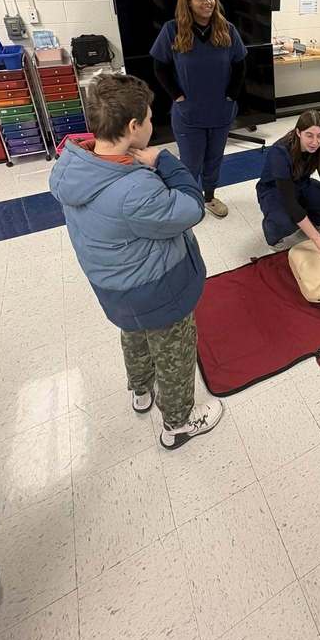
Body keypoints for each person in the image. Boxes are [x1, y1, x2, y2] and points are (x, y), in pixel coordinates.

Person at [49, 74, 223, 450]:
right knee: (174, 352)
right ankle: (178, 424)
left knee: (133, 335)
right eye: (147, 119)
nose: (150, 124)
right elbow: (192, 208)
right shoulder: (135, 189)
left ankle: (141, 390)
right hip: (157, 291)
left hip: (114, 288)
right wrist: (164, 160)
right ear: (132, 127)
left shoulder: (72, 164)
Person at [150, 0, 247, 219]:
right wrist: (178, 96)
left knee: (214, 160)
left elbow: (240, 64)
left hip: (220, 111)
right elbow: (159, 66)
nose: (208, 2)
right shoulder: (172, 30)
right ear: (188, 2)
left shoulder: (227, 29)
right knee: (191, 163)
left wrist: (231, 96)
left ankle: (209, 197)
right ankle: (188, 201)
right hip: (189, 112)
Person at [256, 109, 320, 255]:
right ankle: (273, 236)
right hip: (274, 189)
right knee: (284, 221)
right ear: (298, 132)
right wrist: (316, 238)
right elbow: (290, 202)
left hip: (302, 183)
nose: (315, 142)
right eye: (309, 135)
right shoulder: (280, 152)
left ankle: (306, 224)